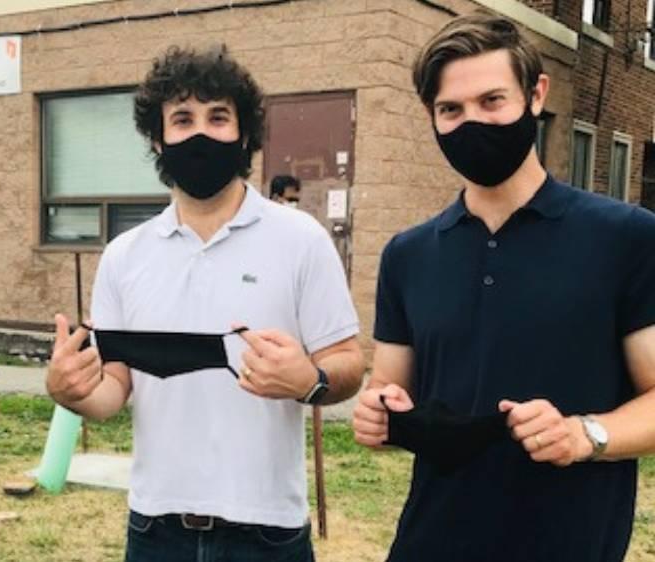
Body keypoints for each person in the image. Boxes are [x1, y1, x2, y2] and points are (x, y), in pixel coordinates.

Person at [351, 14, 655, 562]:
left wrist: (585, 434)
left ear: (536, 95)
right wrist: (380, 410)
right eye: (452, 110)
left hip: (570, 544)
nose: (473, 123)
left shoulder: (626, 237)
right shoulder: (408, 254)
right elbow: (391, 390)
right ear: (432, 116)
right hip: (430, 542)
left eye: (492, 101)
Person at [47, 45, 365, 562]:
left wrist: (310, 380)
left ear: (244, 134)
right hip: (156, 528)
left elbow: (349, 362)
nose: (199, 133)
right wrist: (71, 391)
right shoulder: (125, 256)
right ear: (158, 137)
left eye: (218, 117)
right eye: (182, 119)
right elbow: (114, 391)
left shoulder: (299, 239)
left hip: (269, 531)